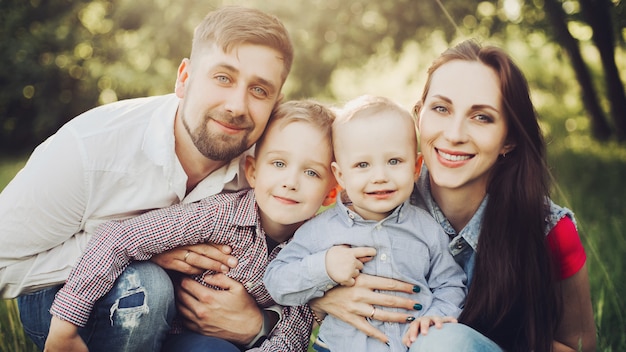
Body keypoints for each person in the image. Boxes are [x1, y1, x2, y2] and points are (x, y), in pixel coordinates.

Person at [0, 6, 294, 351]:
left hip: (184, 311)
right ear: (184, 78)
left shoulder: (270, 168)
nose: (237, 106)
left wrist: (264, 322)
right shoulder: (89, 149)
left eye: (260, 90)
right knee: (146, 288)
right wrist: (140, 250)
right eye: (223, 77)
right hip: (67, 299)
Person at [308, 40, 597, 352]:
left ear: (509, 140)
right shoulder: (369, 202)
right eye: (441, 109)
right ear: (419, 116)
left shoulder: (547, 230)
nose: (455, 134)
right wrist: (322, 298)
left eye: (482, 117)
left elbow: (577, 345)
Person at [43, 100, 338, 352]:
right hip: (156, 329)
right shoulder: (218, 215)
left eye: (311, 172)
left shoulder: (315, 252)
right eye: (279, 164)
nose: (291, 182)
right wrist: (65, 325)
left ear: (331, 191)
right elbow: (119, 237)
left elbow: (295, 332)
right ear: (253, 172)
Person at [264, 95, 466, 351]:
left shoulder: (428, 229)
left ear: (416, 167)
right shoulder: (320, 231)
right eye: (362, 165)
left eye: (394, 161)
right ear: (340, 176)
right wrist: (323, 266)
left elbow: (450, 282)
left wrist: (436, 314)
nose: (380, 177)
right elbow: (276, 280)